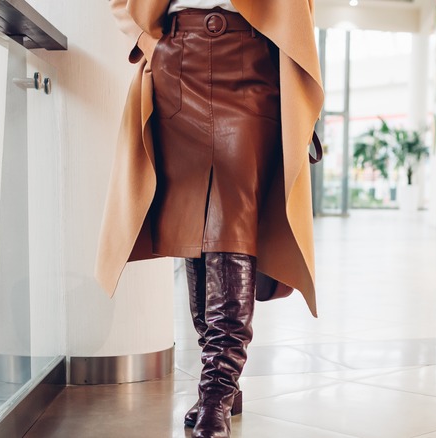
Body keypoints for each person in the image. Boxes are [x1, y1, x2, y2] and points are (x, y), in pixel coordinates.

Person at [98, 1, 324, 437]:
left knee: (230, 225)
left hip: (251, 62)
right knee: (193, 227)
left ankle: (217, 389)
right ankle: (220, 386)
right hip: (176, 62)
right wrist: (153, 43)